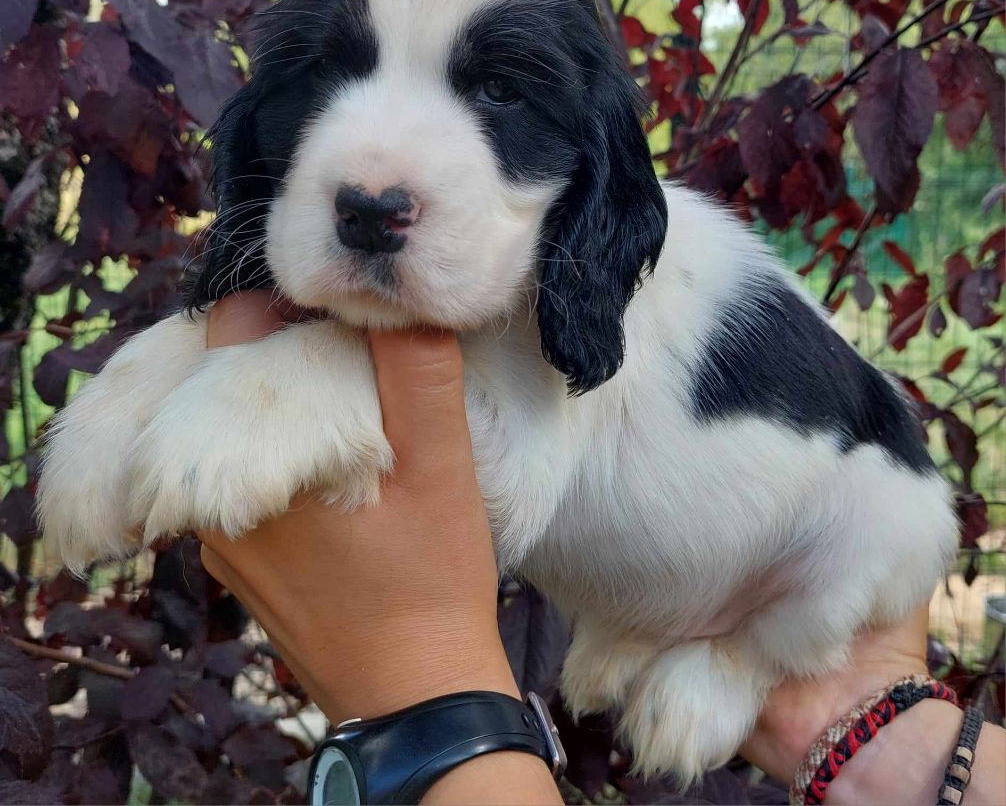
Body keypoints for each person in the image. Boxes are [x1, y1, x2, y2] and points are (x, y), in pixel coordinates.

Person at [199, 292, 1006, 806]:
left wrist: (429, 708)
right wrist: (869, 717)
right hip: (758, 576)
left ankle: (744, 657)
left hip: (843, 534)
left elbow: (510, 478)